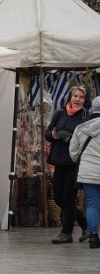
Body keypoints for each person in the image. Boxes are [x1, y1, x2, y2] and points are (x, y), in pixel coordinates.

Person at [46, 85, 90, 244]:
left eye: (81, 97)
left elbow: (87, 140)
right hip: (59, 161)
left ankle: (67, 233)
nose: (77, 99)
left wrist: (72, 139)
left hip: (74, 163)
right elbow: (47, 133)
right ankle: (86, 226)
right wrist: (53, 135)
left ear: (85, 100)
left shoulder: (86, 116)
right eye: (75, 96)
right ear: (70, 97)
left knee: (68, 198)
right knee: (58, 198)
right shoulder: (60, 113)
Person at [70, 96, 100, 249]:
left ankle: (94, 237)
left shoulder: (81, 128)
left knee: (93, 204)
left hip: (88, 172)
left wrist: (85, 163)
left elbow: (73, 152)